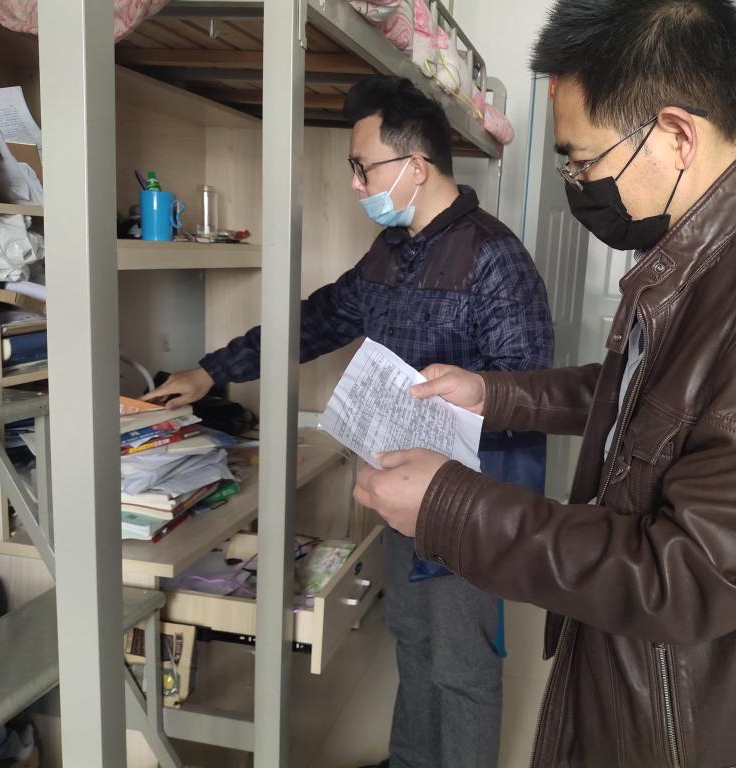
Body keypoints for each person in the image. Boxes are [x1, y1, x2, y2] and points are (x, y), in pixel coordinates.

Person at [352, 2, 736, 766]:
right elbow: (643, 395)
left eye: (582, 160)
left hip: (699, 725)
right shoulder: (711, 254)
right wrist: (492, 393)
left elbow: (689, 575)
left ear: (676, 135)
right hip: (642, 674)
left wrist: (450, 506)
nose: (578, 183)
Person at [147, 76, 553, 768]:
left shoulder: (495, 259)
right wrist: (211, 371)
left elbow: (529, 393)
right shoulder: (390, 253)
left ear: (416, 165)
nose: (357, 182)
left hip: (471, 500)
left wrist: (466, 454)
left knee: (462, 663)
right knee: (412, 638)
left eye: (364, 167)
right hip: (399, 486)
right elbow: (316, 320)